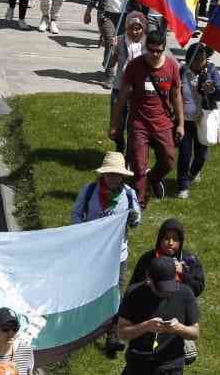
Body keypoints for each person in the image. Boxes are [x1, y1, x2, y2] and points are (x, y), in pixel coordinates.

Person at [72, 150, 142, 352]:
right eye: (110, 173)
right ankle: (85, 327)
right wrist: (84, 231)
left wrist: (134, 218)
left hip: (118, 255)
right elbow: (76, 214)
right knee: (90, 289)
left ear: (122, 176)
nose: (113, 178)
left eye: (117, 174)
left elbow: (136, 221)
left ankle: (112, 333)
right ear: (103, 173)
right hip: (92, 253)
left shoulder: (128, 194)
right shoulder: (89, 191)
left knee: (115, 293)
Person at [110, 28, 184, 204]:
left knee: (169, 160)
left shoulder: (172, 66)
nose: (155, 54)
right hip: (139, 124)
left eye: (159, 51)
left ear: (164, 48)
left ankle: (152, 179)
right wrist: (114, 124)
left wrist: (180, 124)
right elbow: (122, 97)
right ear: (145, 47)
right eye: (151, 50)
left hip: (162, 123)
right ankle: (140, 203)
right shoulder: (134, 66)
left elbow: (176, 95)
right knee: (138, 165)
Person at [115, 256, 200, 373]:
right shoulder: (134, 294)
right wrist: (146, 326)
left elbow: (195, 333)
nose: (167, 292)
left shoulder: (185, 293)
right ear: (149, 280)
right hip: (138, 362)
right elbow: (122, 333)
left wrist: (178, 328)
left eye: (170, 287)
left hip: (171, 366)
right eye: (162, 289)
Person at [177, 43, 220, 199]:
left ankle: (193, 173)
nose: (199, 63)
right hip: (186, 119)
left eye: (202, 59)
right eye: (195, 59)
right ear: (189, 59)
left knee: (201, 155)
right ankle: (182, 185)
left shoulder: (211, 70)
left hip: (204, 120)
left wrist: (212, 90)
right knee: (184, 153)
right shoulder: (182, 71)